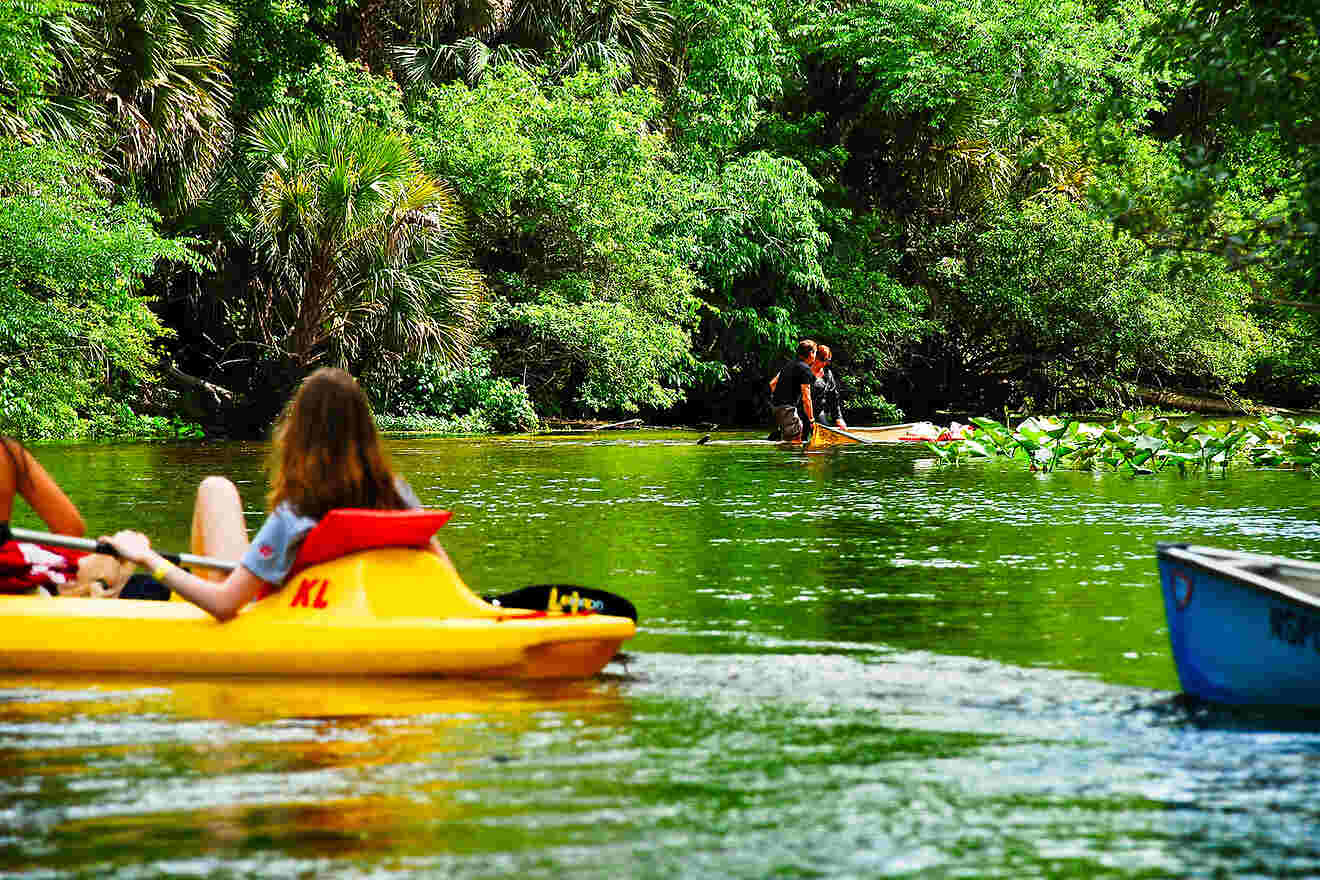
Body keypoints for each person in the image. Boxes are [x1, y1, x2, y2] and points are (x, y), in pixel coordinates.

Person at [102, 367, 455, 621]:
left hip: (264, 609)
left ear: (297, 433)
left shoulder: (297, 512)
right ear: (366, 430)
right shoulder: (396, 495)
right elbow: (447, 577)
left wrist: (149, 559)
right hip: (347, 604)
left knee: (215, 489)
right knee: (218, 490)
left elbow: (226, 606)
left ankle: (169, 596)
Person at [767, 339, 818, 444]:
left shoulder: (789, 364)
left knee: (786, 441)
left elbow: (772, 384)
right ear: (811, 353)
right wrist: (811, 420)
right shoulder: (805, 369)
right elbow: (806, 397)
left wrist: (779, 399)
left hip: (776, 408)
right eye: (815, 352)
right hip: (787, 409)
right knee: (795, 441)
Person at [811, 344, 847, 429]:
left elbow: (833, 398)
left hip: (818, 412)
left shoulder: (827, 374)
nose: (824, 363)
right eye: (822, 360)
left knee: (826, 433)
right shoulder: (804, 371)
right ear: (814, 358)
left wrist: (838, 418)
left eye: (827, 360)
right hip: (800, 412)